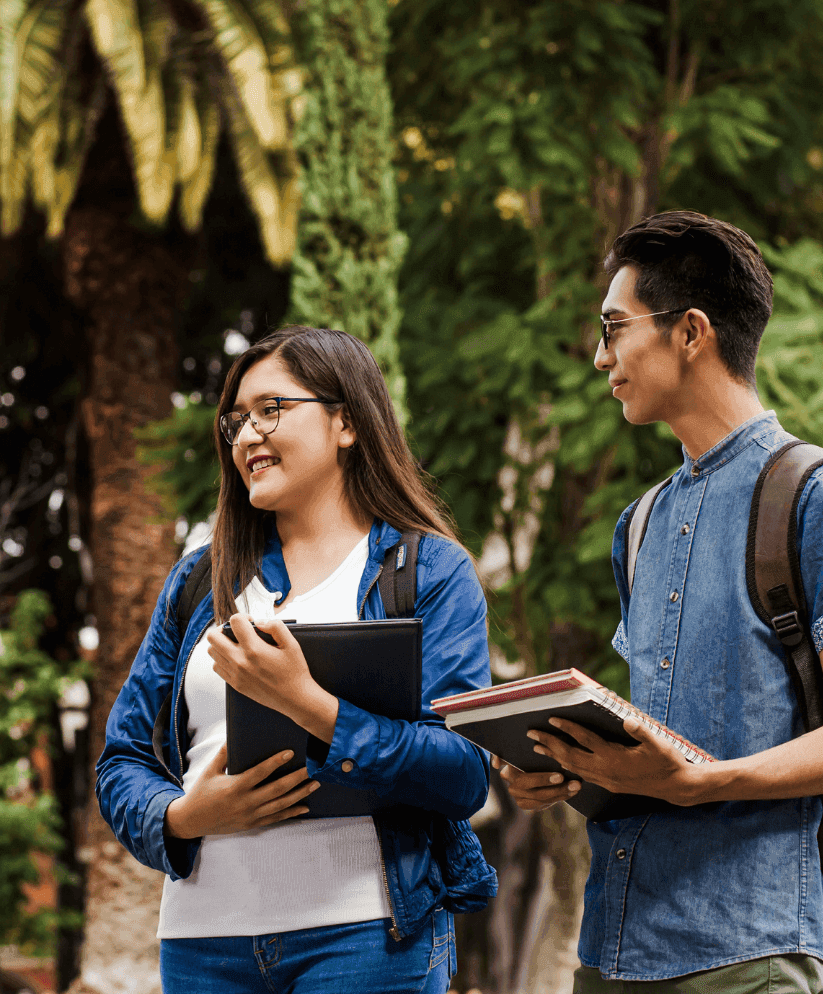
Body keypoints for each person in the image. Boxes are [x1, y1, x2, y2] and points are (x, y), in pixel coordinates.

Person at [97, 326, 497, 993]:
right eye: (237, 420)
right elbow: (123, 760)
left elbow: (463, 774)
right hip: (203, 947)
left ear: (346, 423)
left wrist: (307, 704)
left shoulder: (427, 571)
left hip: (368, 940)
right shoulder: (200, 579)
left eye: (271, 410)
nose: (248, 435)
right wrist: (186, 817)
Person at [498, 211, 823, 992]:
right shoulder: (636, 525)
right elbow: (660, 739)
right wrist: (566, 770)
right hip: (612, 950)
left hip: (750, 952)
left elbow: (693, 769)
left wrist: (706, 781)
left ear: (691, 332)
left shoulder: (807, 497)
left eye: (615, 328)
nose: (601, 356)